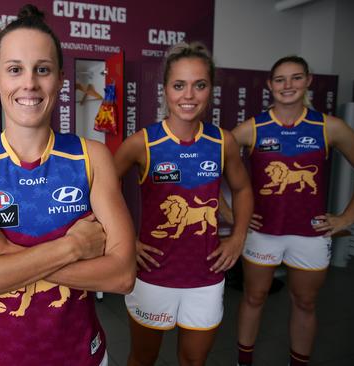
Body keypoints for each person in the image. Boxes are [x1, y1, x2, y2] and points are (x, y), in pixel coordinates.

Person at [0, 4, 135, 366]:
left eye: (42, 70)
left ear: (59, 79)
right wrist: (72, 248)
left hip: (80, 355)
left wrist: (1, 252)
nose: (29, 83)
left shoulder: (92, 157)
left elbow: (122, 276)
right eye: (15, 70)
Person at [114, 42, 253, 366]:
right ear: (165, 89)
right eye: (179, 85)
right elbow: (99, 190)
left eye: (199, 85)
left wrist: (238, 237)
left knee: (193, 361)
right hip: (152, 274)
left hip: (206, 275)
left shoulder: (223, 141)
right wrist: (122, 242)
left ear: (210, 90)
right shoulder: (142, 143)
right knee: (142, 358)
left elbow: (243, 189)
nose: (189, 95)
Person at [233, 56, 354, 366]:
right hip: (263, 234)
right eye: (280, 79)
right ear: (269, 85)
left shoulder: (330, 127)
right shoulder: (253, 128)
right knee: (254, 298)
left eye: (295, 78)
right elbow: (208, 171)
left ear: (308, 81)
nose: (287, 85)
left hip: (311, 234)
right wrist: (232, 214)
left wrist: (347, 217)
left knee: (305, 302)